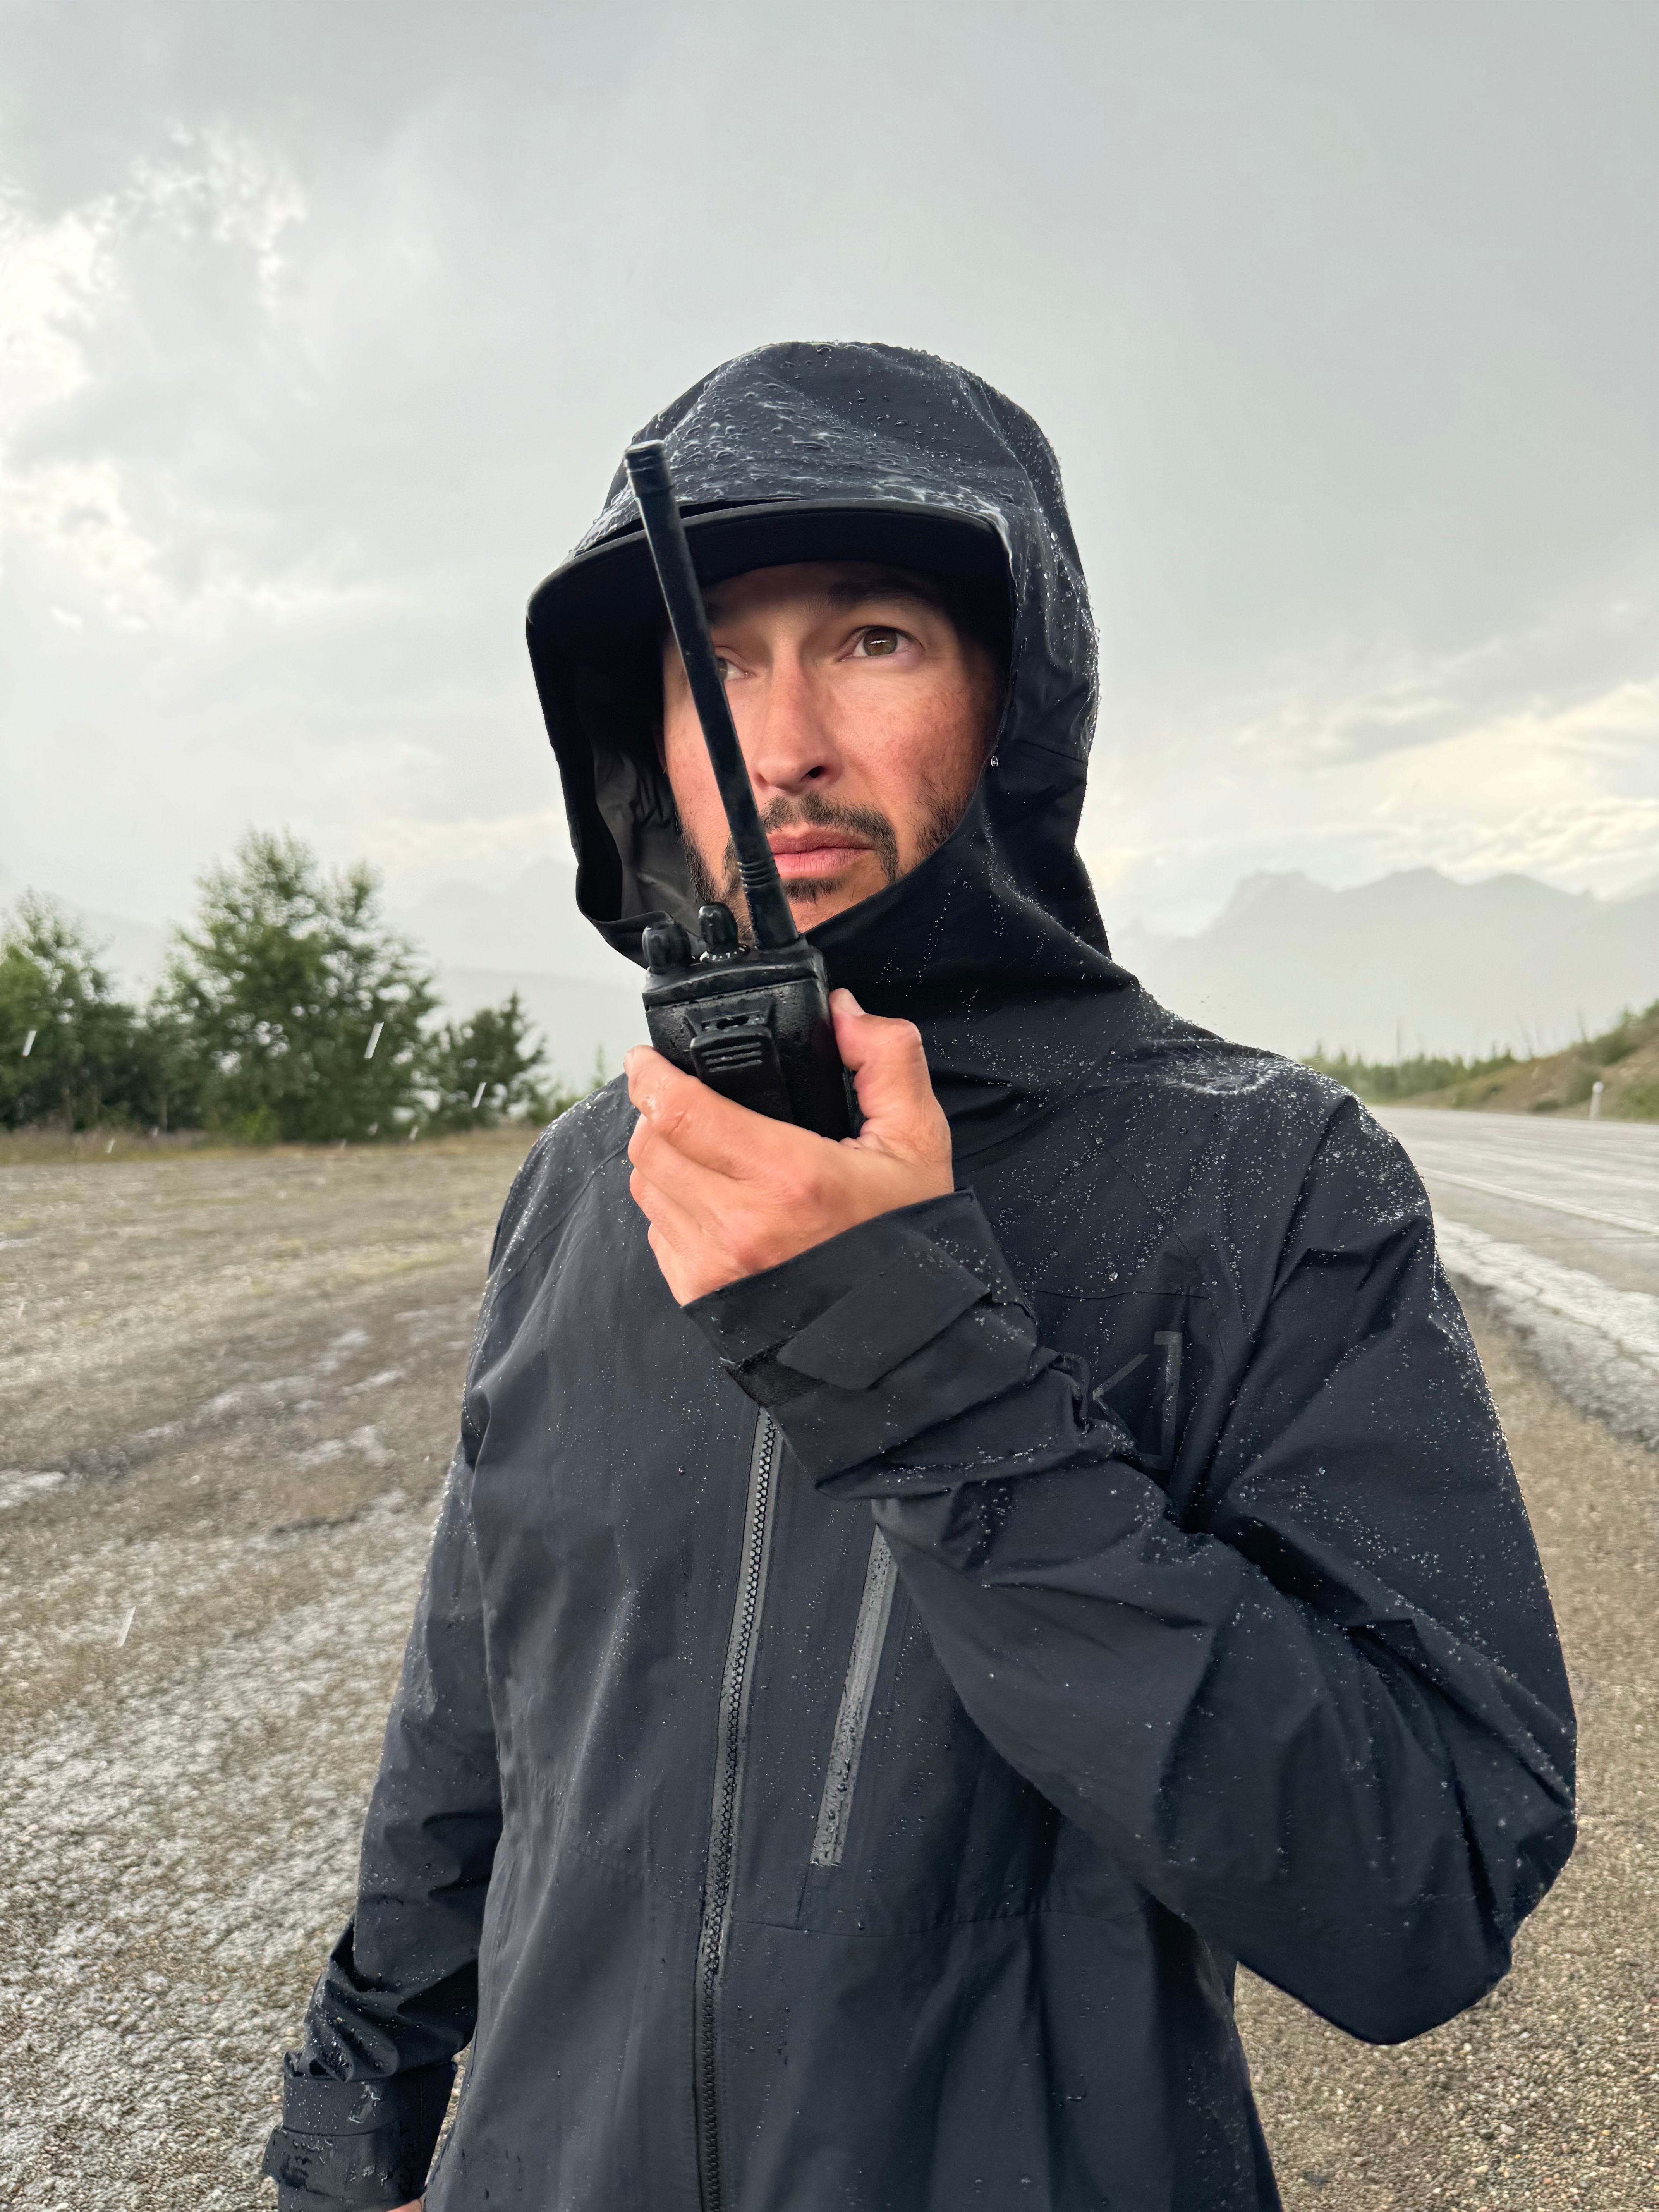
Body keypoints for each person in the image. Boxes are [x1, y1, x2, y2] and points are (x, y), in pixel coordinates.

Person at [263, 342, 1574, 2212]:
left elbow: (1421, 1890)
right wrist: (353, 2110)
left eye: (873, 638)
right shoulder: (584, 1181)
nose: (780, 740)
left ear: (1012, 691)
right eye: (717, 659)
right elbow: (475, 1707)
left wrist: (914, 1357)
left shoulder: (1261, 1175)